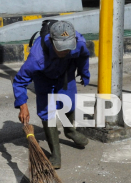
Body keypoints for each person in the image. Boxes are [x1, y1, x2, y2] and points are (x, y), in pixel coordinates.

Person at [13, 20, 90, 169]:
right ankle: (55, 154)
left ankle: (70, 131)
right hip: (44, 78)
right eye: (61, 48)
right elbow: (19, 81)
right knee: (47, 112)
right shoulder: (37, 57)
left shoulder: (79, 43)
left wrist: (84, 73)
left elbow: (83, 57)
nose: (65, 51)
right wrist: (22, 105)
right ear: (51, 40)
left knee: (70, 103)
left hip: (65, 73)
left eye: (68, 48)